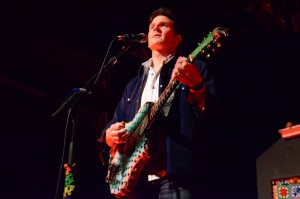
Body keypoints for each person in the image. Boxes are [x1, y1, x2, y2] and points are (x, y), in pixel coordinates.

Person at [98, 7, 220, 199]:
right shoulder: (133, 85)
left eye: (163, 25)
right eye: (152, 26)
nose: (155, 29)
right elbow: (114, 122)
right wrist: (109, 135)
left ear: (177, 38)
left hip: (174, 175)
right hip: (135, 181)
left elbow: (212, 116)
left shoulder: (194, 68)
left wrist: (197, 85)